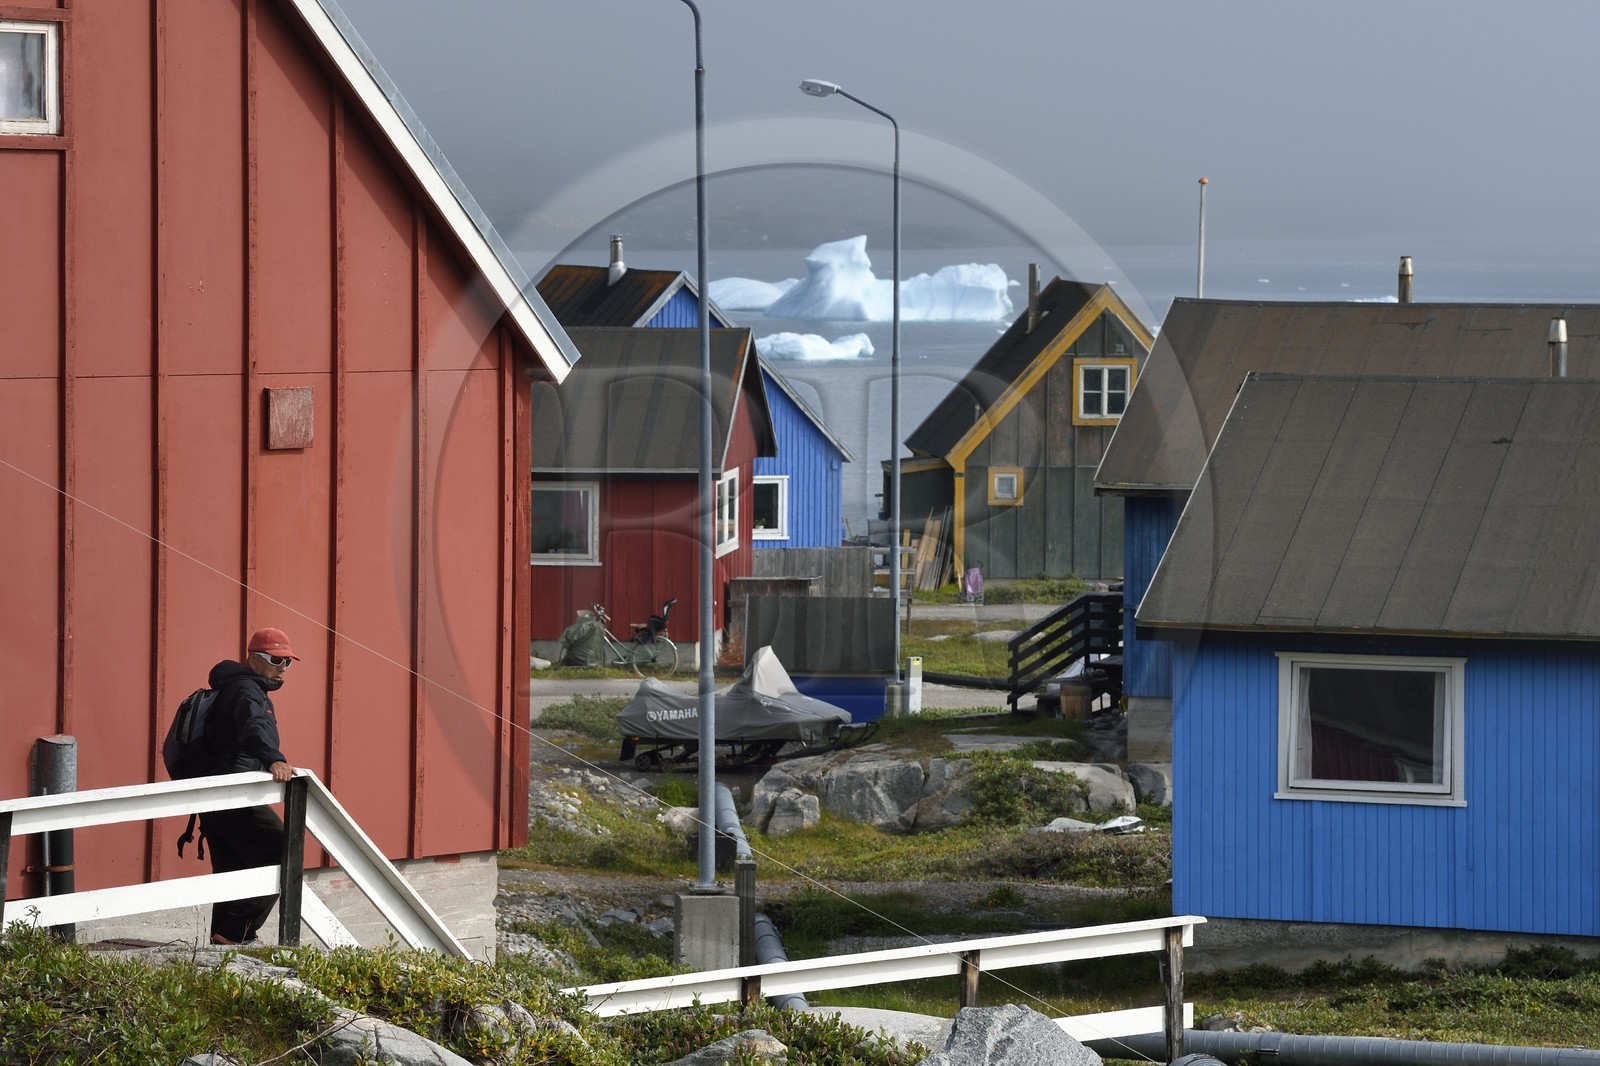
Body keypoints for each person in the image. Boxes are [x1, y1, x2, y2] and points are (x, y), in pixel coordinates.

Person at [199, 627, 300, 946]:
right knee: (283, 848)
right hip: (233, 791)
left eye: (288, 662)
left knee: (233, 866)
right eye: (275, 660)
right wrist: (274, 759)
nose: (282, 668)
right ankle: (235, 933)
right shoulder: (246, 690)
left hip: (217, 792)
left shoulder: (238, 687)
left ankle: (223, 942)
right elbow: (252, 727)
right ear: (253, 659)